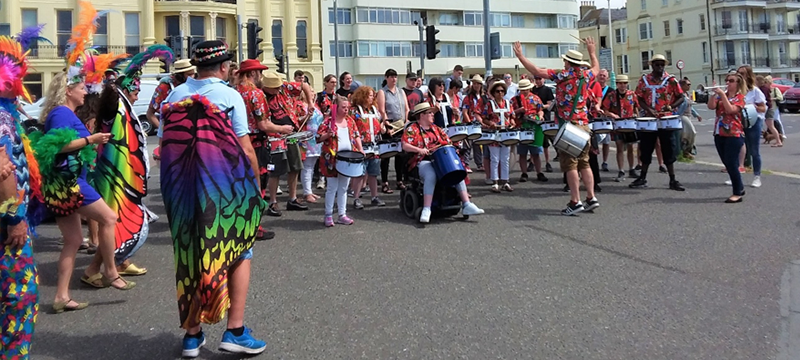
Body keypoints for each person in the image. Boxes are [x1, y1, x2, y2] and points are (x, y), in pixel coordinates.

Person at [159, 40, 266, 357]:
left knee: (190, 254)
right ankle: (235, 330)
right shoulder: (229, 95)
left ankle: (192, 336)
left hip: (182, 188)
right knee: (239, 250)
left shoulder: (175, 96)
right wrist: (256, 186)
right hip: (224, 187)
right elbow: (245, 148)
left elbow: (168, 144)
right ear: (223, 67)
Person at [91, 47, 169, 278]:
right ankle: (101, 269)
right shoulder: (115, 107)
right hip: (114, 174)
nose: (137, 96)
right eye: (135, 92)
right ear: (127, 90)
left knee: (120, 219)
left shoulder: (123, 107)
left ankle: (116, 262)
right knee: (118, 218)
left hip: (120, 173)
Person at [515, 39, 601, 215]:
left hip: (569, 126)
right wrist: (592, 51)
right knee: (585, 163)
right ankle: (591, 198)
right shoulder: (586, 75)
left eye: (565, 60)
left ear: (568, 62)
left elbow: (536, 71)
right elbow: (597, 69)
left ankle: (575, 201)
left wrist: (521, 56)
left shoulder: (563, 75)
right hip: (584, 125)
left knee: (570, 165)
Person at [0, 31, 44, 358]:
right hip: (6, 228)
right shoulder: (2, 116)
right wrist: (15, 218)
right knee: (20, 299)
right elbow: (3, 167)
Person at [236, 59, 292, 240]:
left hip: (234, 144)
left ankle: (239, 226)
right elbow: (263, 124)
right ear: (252, 74)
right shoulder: (256, 94)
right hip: (255, 145)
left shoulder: (233, 92)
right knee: (258, 186)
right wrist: (282, 129)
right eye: (259, 72)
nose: (261, 76)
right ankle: (254, 227)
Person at [402, 102, 484, 223]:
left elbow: (448, 142)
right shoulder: (412, 129)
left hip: (440, 158)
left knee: (457, 171)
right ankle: (426, 208)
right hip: (423, 160)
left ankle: (467, 204)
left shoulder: (437, 129)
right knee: (431, 174)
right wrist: (419, 150)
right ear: (421, 115)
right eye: (429, 112)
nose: (432, 114)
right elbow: (405, 145)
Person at [261, 71, 315, 217]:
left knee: (295, 166)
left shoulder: (284, 87)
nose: (279, 90)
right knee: (276, 170)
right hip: (274, 137)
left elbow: (304, 86)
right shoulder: (261, 97)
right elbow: (263, 123)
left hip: (291, 135)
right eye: (275, 88)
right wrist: (280, 129)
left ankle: (292, 198)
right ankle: (272, 201)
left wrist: (310, 102)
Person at [631, 54, 685, 191]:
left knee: (668, 148)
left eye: (662, 65)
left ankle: (673, 179)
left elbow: (681, 97)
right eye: (657, 65)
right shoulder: (644, 80)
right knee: (646, 148)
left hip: (666, 119)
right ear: (652, 65)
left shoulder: (671, 80)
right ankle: (642, 177)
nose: (660, 67)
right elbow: (639, 97)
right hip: (649, 119)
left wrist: (671, 107)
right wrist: (648, 109)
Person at [317, 95, 362, 227]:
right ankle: (328, 214)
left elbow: (356, 135)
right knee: (332, 187)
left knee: (343, 187)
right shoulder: (328, 122)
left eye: (347, 107)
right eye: (343, 107)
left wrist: (360, 149)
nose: (346, 110)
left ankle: (342, 214)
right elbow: (318, 138)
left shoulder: (350, 121)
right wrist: (327, 135)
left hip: (347, 159)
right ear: (336, 107)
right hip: (332, 158)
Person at [708, 73, 748, 203]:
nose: (727, 82)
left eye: (731, 80)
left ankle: (737, 192)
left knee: (731, 163)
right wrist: (713, 94)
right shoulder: (721, 96)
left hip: (734, 133)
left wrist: (723, 95)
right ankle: (740, 187)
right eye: (726, 80)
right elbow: (711, 106)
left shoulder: (740, 98)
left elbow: (730, 109)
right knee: (727, 162)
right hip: (719, 132)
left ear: (737, 84)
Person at [148, 59, 196, 159]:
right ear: (180, 75)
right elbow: (150, 114)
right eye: (189, 74)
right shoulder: (164, 88)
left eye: (193, 74)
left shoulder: (195, 85)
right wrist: (165, 131)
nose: (193, 77)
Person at [350, 86, 386, 209]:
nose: (373, 97)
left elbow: (379, 123)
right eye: (370, 95)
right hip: (361, 147)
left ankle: (374, 197)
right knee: (359, 174)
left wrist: (383, 127)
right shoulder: (355, 111)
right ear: (363, 96)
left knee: (373, 173)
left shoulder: (374, 110)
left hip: (374, 146)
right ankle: (356, 198)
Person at [599, 75, 640, 182]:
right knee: (620, 147)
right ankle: (621, 170)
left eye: (624, 83)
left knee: (631, 147)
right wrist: (612, 114)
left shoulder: (632, 94)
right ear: (617, 84)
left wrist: (636, 115)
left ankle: (631, 169)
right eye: (620, 83)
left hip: (630, 123)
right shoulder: (611, 95)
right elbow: (605, 110)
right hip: (618, 125)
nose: (623, 85)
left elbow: (636, 107)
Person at [376, 68, 410, 193]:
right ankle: (385, 182)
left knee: (400, 155)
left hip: (401, 126)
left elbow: (406, 108)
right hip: (390, 126)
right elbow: (382, 110)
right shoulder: (382, 92)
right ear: (386, 78)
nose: (393, 79)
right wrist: (387, 124)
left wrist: (406, 121)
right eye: (391, 76)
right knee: (387, 155)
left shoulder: (401, 92)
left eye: (395, 76)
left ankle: (399, 180)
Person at [736, 65, 767, 188]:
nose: (739, 76)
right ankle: (736, 175)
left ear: (748, 75)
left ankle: (757, 176)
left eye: (742, 73)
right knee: (737, 148)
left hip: (754, 121)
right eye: (738, 73)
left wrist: (753, 107)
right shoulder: (736, 90)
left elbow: (763, 108)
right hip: (739, 122)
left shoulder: (755, 91)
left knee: (754, 150)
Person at [512, 79, 548, 183]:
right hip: (522, 125)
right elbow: (510, 113)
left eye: (526, 89)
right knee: (522, 153)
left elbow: (540, 109)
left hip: (535, 125)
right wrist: (519, 110)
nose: (524, 91)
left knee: (536, 152)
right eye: (522, 90)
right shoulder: (515, 99)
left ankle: (539, 172)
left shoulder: (535, 98)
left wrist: (541, 116)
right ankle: (524, 173)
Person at [484, 81, 515, 192]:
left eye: (502, 91)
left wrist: (512, 122)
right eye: (497, 91)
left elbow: (511, 116)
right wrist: (490, 124)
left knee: (505, 159)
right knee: (494, 159)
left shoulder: (508, 103)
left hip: (506, 133)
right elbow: (484, 118)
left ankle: (505, 181)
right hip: (494, 134)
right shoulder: (489, 104)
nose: (500, 93)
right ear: (493, 92)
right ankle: (495, 182)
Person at [462, 75, 489, 174]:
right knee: (468, 145)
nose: (476, 85)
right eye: (474, 83)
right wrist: (469, 122)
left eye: (478, 83)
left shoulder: (485, 97)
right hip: (470, 123)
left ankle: (479, 164)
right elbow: (465, 111)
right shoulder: (468, 97)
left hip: (482, 123)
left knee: (478, 144)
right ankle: (466, 163)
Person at [532, 75, 555, 173]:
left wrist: (540, 107)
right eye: (536, 79)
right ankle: (532, 162)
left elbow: (549, 104)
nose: (538, 81)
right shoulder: (532, 90)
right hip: (533, 118)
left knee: (545, 143)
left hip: (545, 118)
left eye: (539, 79)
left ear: (543, 79)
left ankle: (547, 162)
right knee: (533, 141)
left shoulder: (547, 90)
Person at [676, 78, 701, 159]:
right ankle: (687, 150)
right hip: (682, 116)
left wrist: (696, 115)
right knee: (692, 132)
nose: (689, 86)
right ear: (682, 85)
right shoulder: (679, 95)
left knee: (684, 135)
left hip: (688, 116)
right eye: (688, 84)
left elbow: (690, 106)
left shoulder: (687, 94)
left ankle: (685, 151)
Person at [763, 76, 783, 147]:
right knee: (770, 125)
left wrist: (772, 99)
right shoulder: (766, 89)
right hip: (768, 108)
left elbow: (780, 97)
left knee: (775, 122)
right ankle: (776, 139)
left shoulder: (774, 89)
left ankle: (779, 138)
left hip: (773, 107)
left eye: (766, 82)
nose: (765, 84)